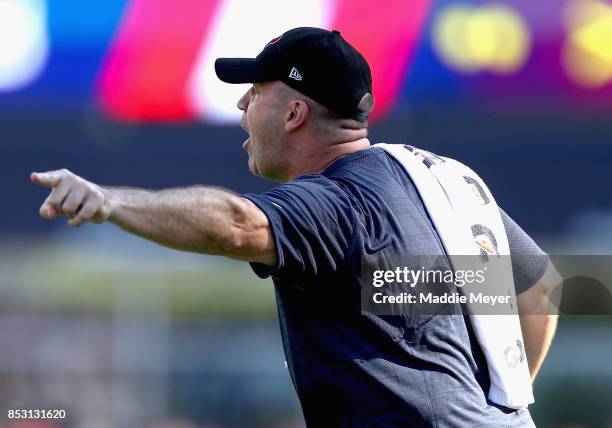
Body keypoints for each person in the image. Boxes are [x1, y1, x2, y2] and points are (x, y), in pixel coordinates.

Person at [31, 27, 558, 427]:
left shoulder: (333, 207)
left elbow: (235, 226)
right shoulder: (441, 183)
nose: (241, 105)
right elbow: (538, 291)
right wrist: (502, 408)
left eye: (255, 91)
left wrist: (109, 203)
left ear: (294, 115)